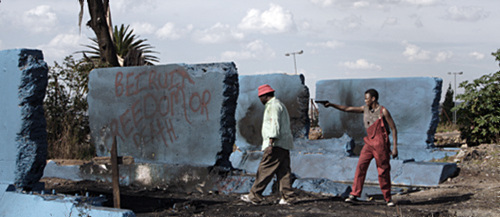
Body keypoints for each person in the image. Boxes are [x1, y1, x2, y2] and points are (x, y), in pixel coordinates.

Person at [318, 89, 398, 207]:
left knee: (383, 171)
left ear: (373, 99)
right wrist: (331, 105)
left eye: (367, 98)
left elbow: (394, 129)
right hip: (369, 143)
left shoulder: (383, 111)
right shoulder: (364, 109)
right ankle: (354, 194)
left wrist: (395, 148)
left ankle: (388, 198)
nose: (365, 100)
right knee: (360, 167)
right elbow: (347, 109)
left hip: (381, 145)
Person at [240, 84, 295, 205]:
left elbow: (274, 124)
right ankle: (288, 197)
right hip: (284, 144)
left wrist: (270, 143)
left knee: (264, 169)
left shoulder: (273, 106)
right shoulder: (280, 104)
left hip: (275, 144)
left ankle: (255, 196)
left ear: (265, 96)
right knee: (283, 171)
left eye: (260, 97)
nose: (260, 100)